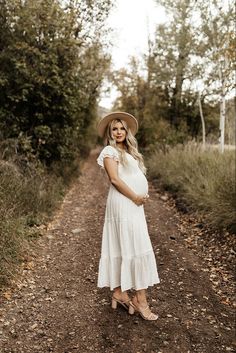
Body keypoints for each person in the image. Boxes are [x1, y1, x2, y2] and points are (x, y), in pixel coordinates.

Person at [96, 111, 160, 321]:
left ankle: (119, 293)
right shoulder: (109, 151)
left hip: (133, 204)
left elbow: (131, 175)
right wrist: (135, 196)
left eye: (122, 128)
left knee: (128, 244)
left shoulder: (129, 151)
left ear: (127, 131)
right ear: (110, 132)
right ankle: (140, 300)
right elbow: (114, 179)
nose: (119, 131)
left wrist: (141, 194)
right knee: (133, 245)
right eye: (114, 128)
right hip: (123, 203)